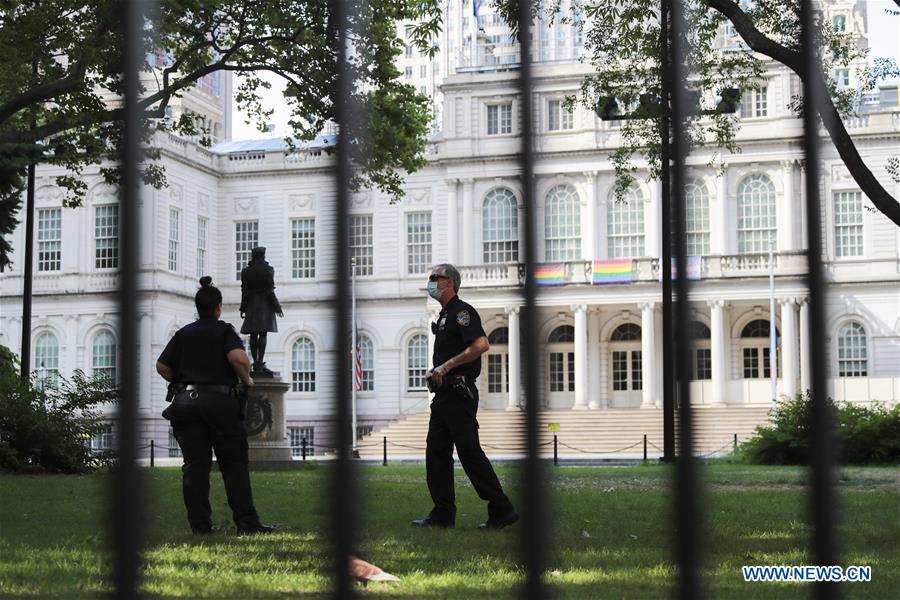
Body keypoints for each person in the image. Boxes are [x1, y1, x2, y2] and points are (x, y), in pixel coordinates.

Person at [157, 276, 275, 535]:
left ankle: (200, 526)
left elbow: (162, 366)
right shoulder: (224, 331)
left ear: (197, 308)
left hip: (186, 404)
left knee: (194, 466)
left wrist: (181, 380)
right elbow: (237, 358)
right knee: (234, 465)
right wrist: (247, 379)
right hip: (220, 405)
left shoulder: (183, 333)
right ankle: (247, 523)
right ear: (218, 307)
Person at [412, 263, 518, 530]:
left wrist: (447, 367)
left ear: (449, 282)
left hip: (459, 395)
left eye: (435, 278)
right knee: (436, 452)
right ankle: (443, 513)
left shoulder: (462, 312)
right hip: (444, 395)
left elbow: (481, 344)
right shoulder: (445, 314)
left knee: (470, 454)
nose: (430, 282)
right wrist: (437, 372)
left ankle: (502, 509)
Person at [239, 246, 284, 374]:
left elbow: (245, 292)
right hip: (265, 304)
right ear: (263, 255)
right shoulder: (268, 270)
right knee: (263, 334)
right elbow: (270, 290)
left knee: (253, 334)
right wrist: (277, 307)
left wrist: (243, 307)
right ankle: (260, 361)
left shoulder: (246, 271)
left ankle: (256, 363)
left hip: (252, 304)